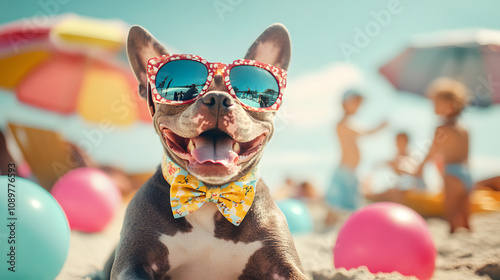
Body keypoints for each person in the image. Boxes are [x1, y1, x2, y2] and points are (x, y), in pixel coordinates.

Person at [415, 78, 472, 233]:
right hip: (467, 175)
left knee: (451, 213)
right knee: (466, 218)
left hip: (451, 173)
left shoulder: (441, 129)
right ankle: (468, 231)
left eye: (435, 103)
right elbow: (466, 157)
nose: (433, 106)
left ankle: (453, 231)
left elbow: (432, 152)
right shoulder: (464, 129)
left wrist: (420, 167)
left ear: (449, 105)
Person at [326, 89, 387, 210]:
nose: (357, 106)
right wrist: (381, 126)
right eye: (354, 102)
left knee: (349, 204)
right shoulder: (343, 123)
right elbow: (367, 132)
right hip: (344, 171)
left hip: (351, 171)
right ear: (344, 103)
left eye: (359, 104)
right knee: (337, 205)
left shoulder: (349, 122)